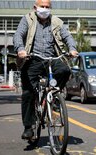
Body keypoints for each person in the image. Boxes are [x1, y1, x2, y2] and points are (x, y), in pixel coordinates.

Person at [13, 0, 78, 139]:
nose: (44, 9)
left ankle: (53, 96)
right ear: (35, 7)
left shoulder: (56, 21)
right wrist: (20, 49)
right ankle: (28, 127)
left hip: (51, 58)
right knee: (28, 92)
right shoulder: (27, 19)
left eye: (47, 7)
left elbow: (68, 36)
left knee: (65, 70)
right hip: (32, 59)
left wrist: (72, 49)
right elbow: (18, 35)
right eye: (42, 6)